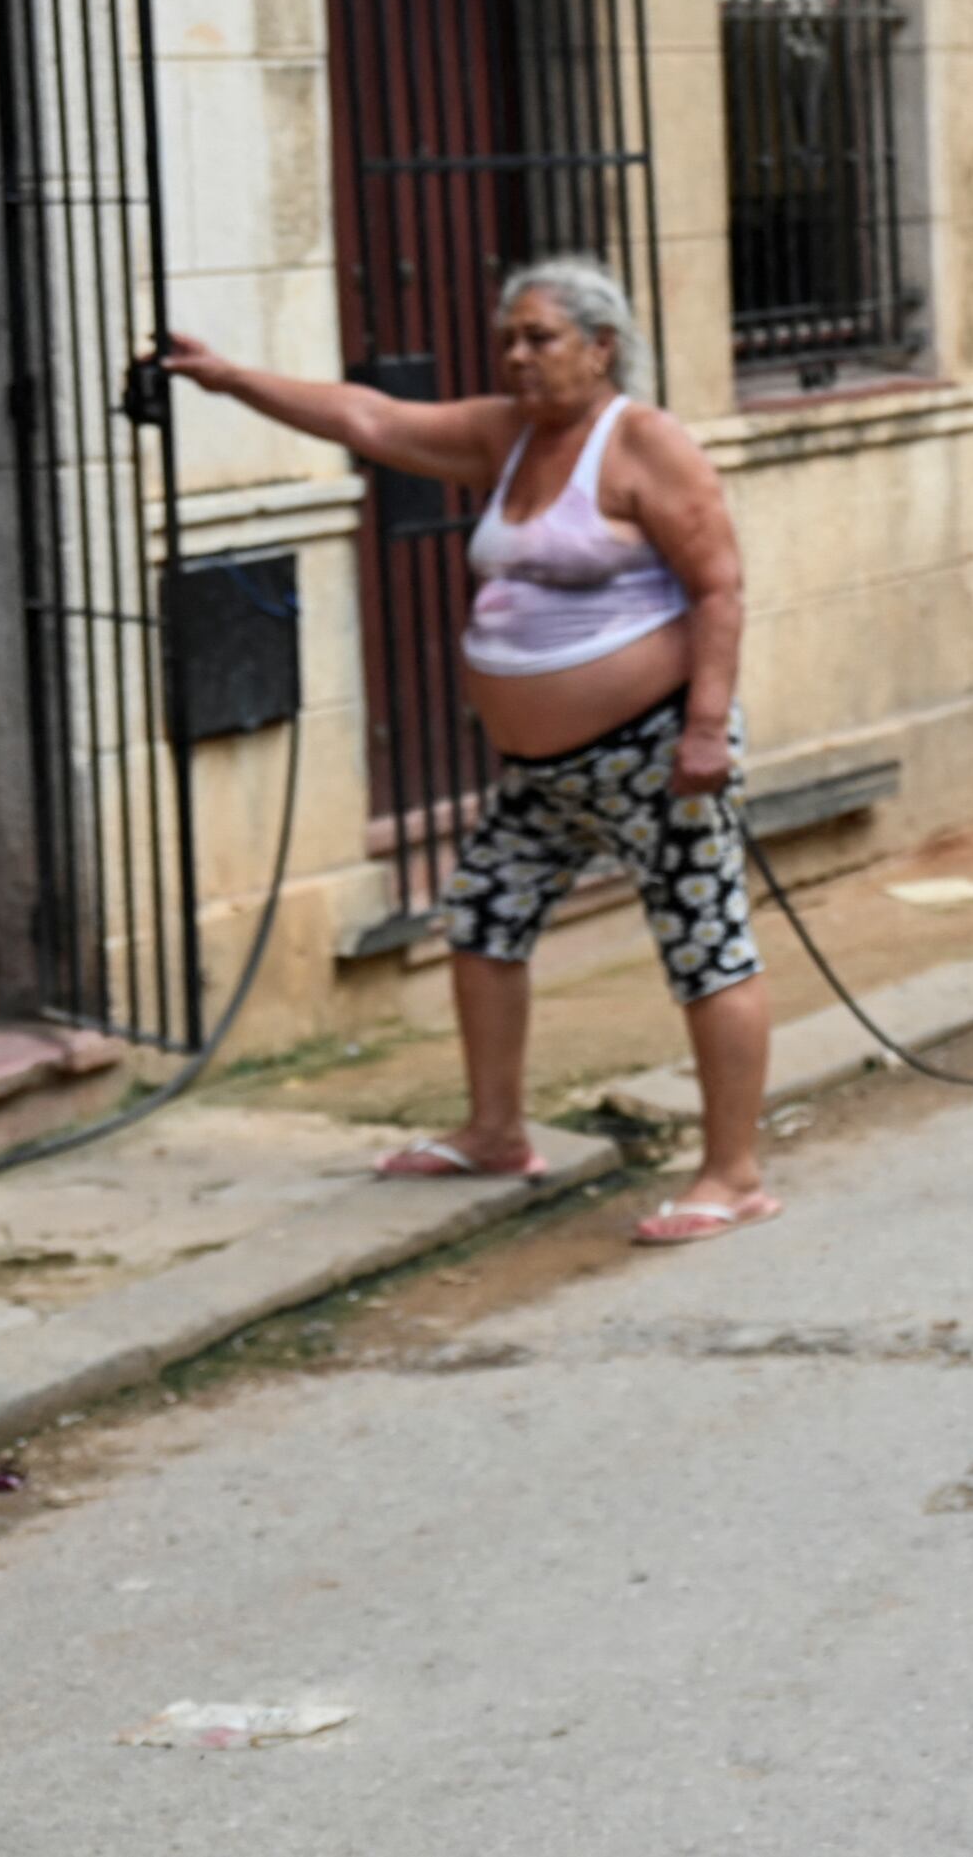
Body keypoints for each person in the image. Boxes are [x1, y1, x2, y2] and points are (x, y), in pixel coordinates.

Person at [159, 260, 780, 1243]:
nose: (517, 356)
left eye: (540, 338)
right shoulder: (506, 435)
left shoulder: (645, 443)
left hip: (656, 752)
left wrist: (706, 727)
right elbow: (368, 419)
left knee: (705, 946)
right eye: (508, 340)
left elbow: (718, 588)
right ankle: (495, 1131)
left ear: (600, 347)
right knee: (483, 917)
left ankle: (732, 1174)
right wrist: (231, 379)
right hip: (541, 772)